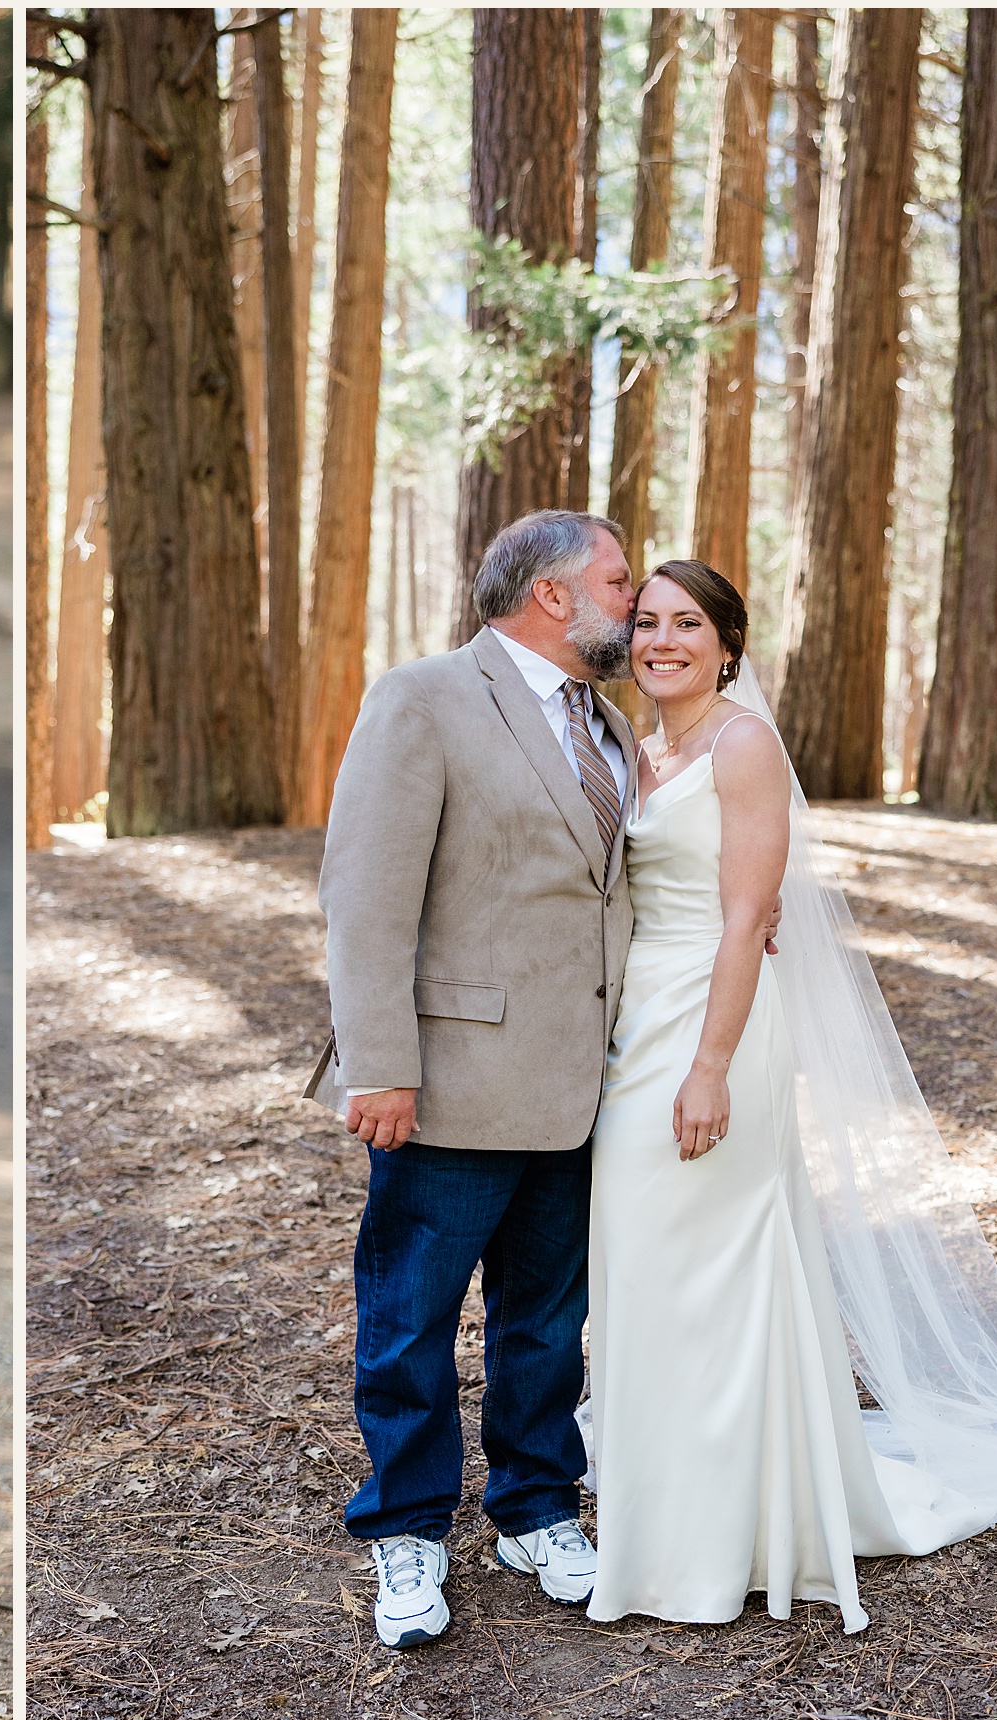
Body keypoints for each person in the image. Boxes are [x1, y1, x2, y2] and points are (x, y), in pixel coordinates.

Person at [583, 560, 997, 1629]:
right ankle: (670, 1505)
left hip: (710, 1027)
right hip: (634, 1022)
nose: (662, 640)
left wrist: (708, 1066)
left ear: (728, 644)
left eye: (688, 623)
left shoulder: (742, 744)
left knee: (721, 1262)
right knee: (642, 1266)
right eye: (646, 622)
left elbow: (746, 916)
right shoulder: (633, 746)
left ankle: (731, 1533)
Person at [308, 510, 651, 1649]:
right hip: (447, 1078)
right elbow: (365, 895)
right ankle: (404, 1527)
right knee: (409, 1319)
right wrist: (379, 1066)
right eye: (617, 579)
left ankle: (535, 1504)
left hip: (580, 1082)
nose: (634, 599)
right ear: (551, 594)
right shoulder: (424, 697)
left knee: (548, 1318)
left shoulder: (603, 718)